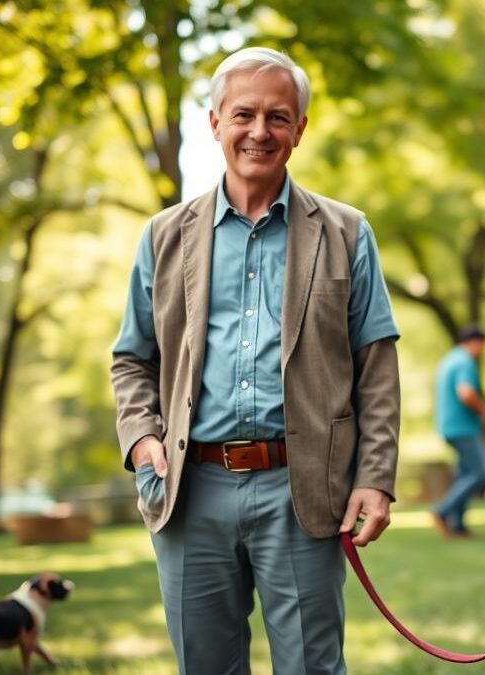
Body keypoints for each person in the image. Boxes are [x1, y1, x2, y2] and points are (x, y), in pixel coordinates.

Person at [111, 47, 401, 675]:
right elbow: (132, 357)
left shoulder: (347, 232)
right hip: (189, 488)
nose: (260, 131)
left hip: (303, 489)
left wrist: (375, 477)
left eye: (278, 116)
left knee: (311, 667)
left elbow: (376, 368)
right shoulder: (163, 236)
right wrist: (141, 439)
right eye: (244, 114)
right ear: (215, 122)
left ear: (300, 129)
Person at [432, 324, 485, 538]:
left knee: (465, 475)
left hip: (449, 426)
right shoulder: (465, 361)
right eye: (482, 343)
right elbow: (466, 393)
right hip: (463, 428)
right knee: (481, 473)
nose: (483, 348)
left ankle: (458, 526)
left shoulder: (450, 359)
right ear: (474, 342)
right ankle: (442, 512)